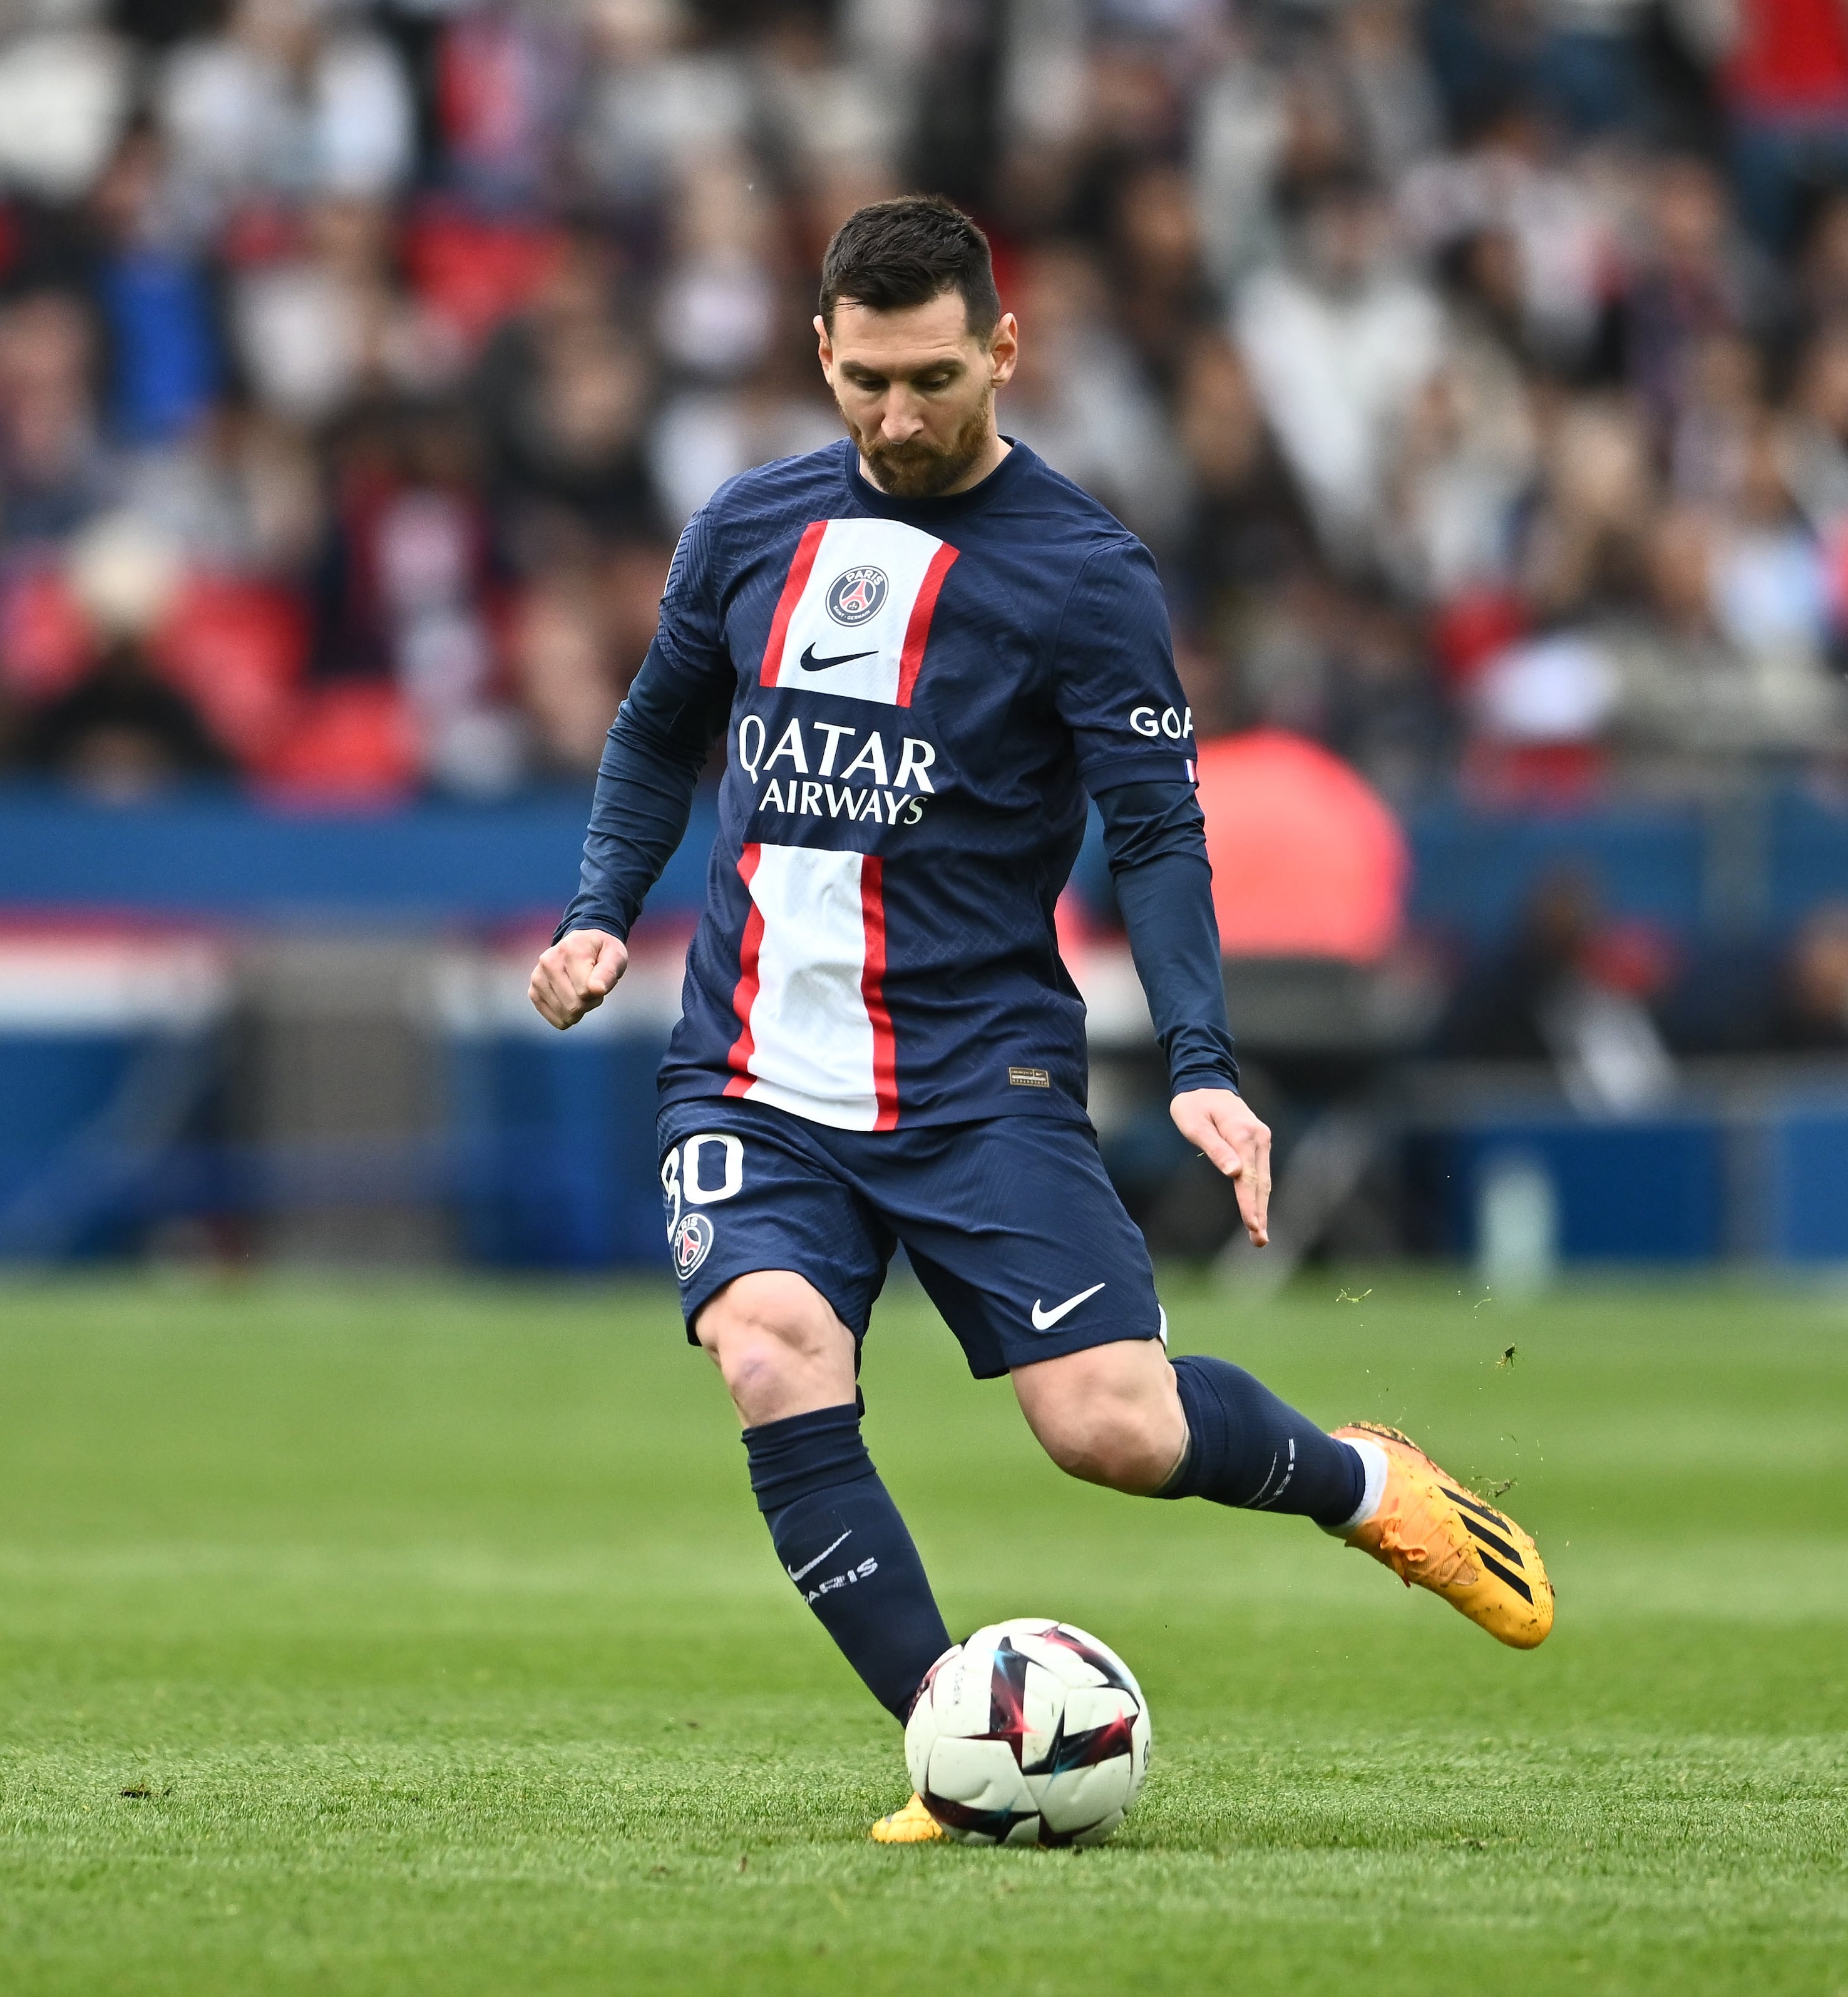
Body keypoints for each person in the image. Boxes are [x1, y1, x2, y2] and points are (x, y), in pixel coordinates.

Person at [528, 197, 1554, 1846]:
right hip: (746, 1067)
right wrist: (598, 913)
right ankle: (963, 1748)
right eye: (865, 380)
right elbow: (659, 738)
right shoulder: (744, 527)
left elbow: (1156, 830)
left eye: (933, 376)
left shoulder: (1085, 572)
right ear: (821, 354)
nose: (898, 417)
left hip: (970, 1068)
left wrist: (1205, 1065)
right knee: (771, 1352)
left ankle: (1372, 1485)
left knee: (1114, 1431)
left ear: (1004, 348)